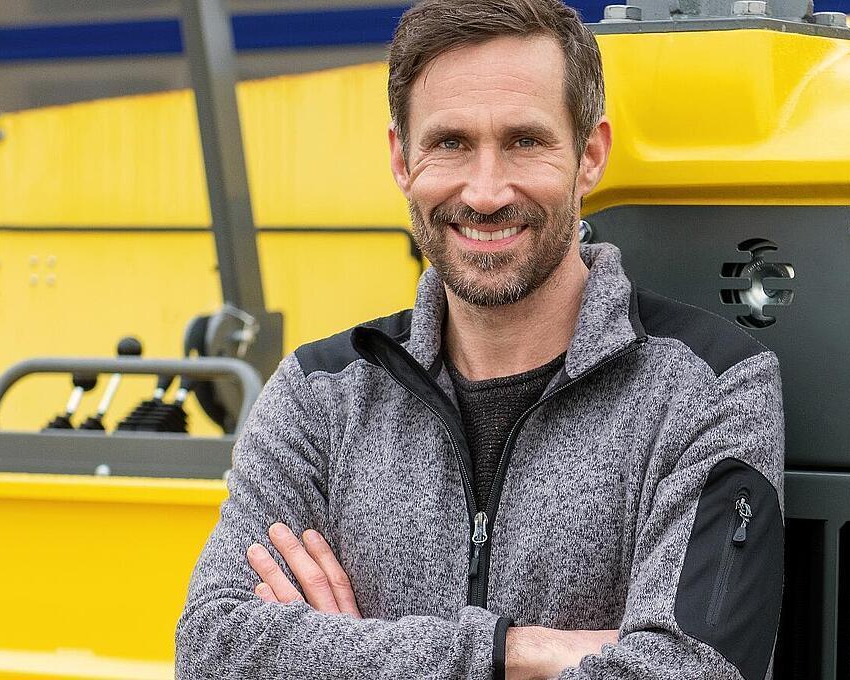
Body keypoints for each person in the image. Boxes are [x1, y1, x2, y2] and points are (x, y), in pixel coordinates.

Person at [173, 1, 785, 678]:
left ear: (589, 157)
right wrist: (514, 652)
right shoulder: (319, 396)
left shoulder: (708, 386)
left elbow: (692, 671)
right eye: (451, 143)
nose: (487, 191)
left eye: (524, 141)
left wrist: (348, 654)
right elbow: (213, 648)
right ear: (402, 159)